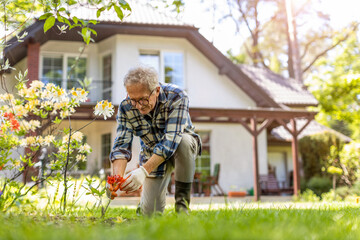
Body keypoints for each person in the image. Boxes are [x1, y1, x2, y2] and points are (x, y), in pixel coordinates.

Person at [109, 66, 201, 215]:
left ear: (156, 91)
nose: (138, 106)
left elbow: (171, 140)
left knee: (183, 141)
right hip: (152, 155)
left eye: (143, 100)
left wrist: (143, 171)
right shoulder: (126, 108)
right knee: (150, 215)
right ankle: (144, 207)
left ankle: (182, 207)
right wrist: (116, 179)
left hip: (179, 148)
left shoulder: (177, 96)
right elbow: (121, 145)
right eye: (133, 100)